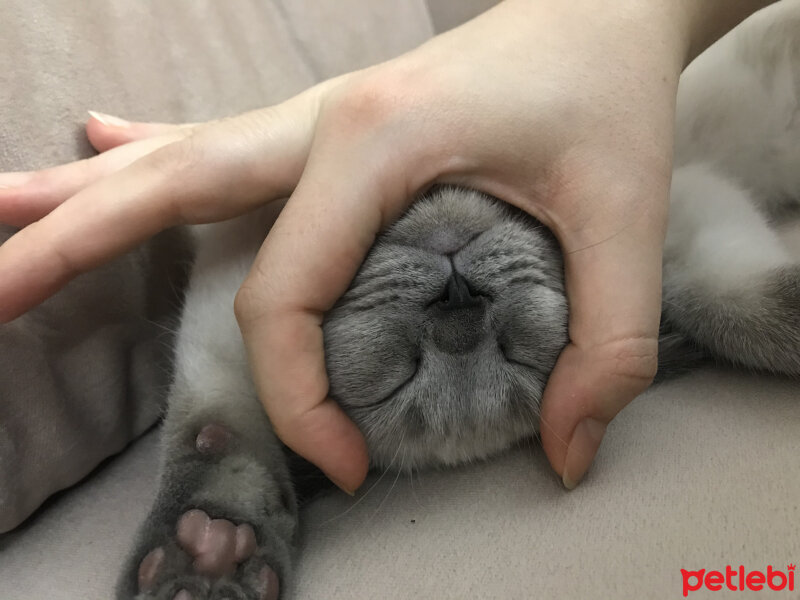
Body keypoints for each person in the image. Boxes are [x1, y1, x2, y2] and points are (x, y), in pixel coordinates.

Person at [0, 0, 775, 494]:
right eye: (518, 347)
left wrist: (221, 422)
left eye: (398, 374)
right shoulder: (620, 211)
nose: (460, 317)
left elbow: (243, 265)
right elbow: (690, 218)